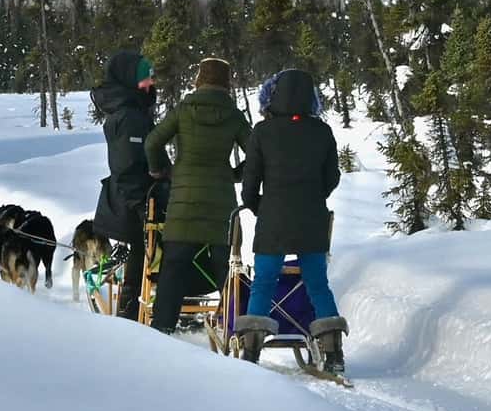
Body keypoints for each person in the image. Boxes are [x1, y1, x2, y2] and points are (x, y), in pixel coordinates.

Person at [241, 69, 348, 373]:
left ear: (272, 96)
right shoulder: (322, 131)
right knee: (317, 284)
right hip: (311, 218)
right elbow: (332, 177)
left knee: (263, 282)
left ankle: (251, 351)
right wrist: (314, 197)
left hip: (273, 219)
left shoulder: (263, 131)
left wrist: (261, 207)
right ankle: (333, 353)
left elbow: (250, 183)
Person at [144, 57, 251, 333]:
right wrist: (235, 174)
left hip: (183, 203)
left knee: (173, 268)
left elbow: (153, 142)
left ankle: (161, 329)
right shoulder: (234, 115)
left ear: (199, 80)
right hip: (221, 205)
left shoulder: (183, 110)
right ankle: (236, 329)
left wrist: (162, 170)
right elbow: (258, 154)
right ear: (226, 84)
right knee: (225, 271)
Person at [92, 50, 167, 320]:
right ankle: (129, 311)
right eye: (146, 79)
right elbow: (126, 166)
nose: (151, 84)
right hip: (133, 201)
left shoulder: (133, 110)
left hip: (135, 198)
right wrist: (140, 203)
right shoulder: (129, 117)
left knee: (143, 252)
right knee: (141, 252)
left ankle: (136, 306)